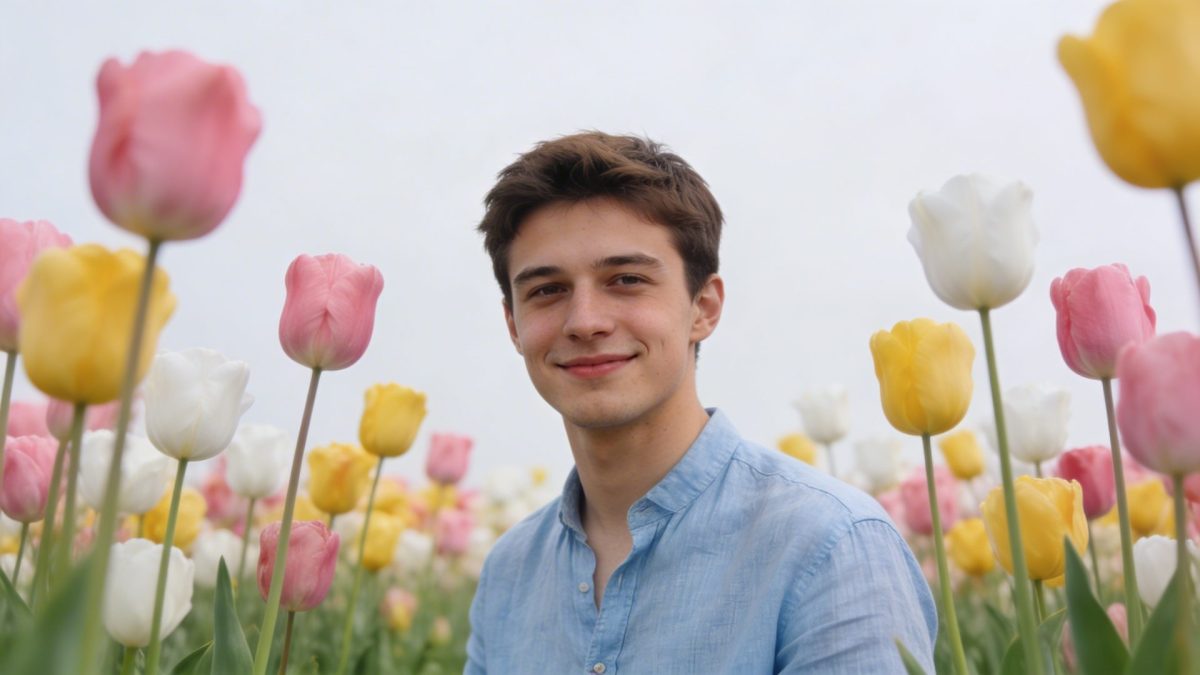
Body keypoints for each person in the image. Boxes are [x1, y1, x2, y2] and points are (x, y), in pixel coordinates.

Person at [466, 131, 936, 674]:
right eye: (547, 290)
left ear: (704, 307)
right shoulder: (509, 573)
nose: (586, 321)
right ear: (513, 325)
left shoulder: (830, 545)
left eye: (626, 279)